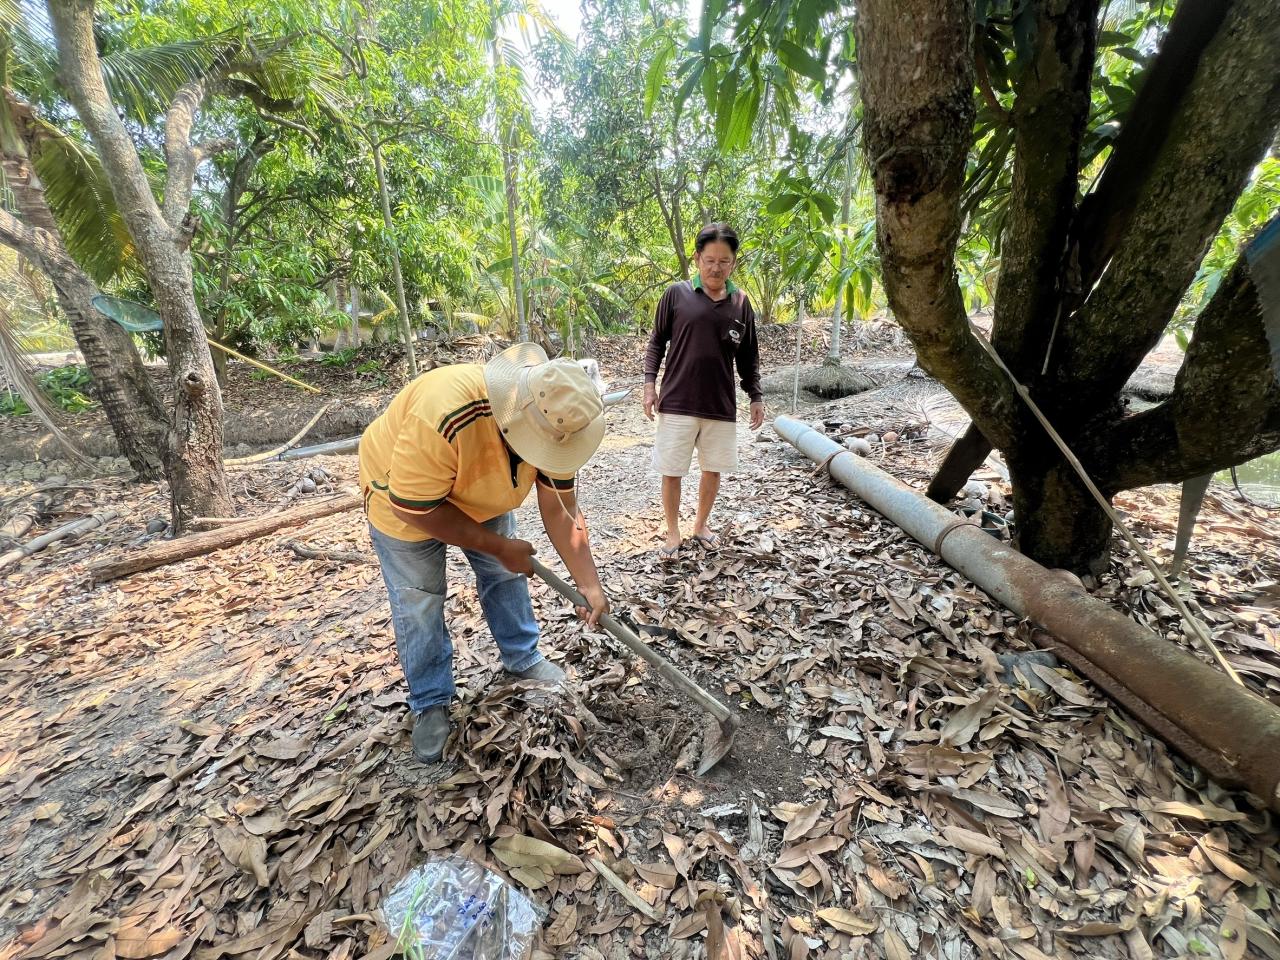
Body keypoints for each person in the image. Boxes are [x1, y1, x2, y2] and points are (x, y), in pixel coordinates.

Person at [359, 344, 609, 763]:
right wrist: (497, 546)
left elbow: (561, 509)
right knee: (419, 600)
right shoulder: (444, 414)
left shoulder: (560, 416)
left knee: (505, 574)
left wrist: (590, 582)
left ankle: (522, 657)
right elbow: (415, 506)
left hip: (482, 493)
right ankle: (431, 701)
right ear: (517, 422)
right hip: (401, 498)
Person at [643, 223, 765, 557]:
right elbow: (657, 341)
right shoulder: (676, 295)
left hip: (720, 403)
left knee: (712, 468)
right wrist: (649, 384)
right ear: (697, 259)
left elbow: (749, 355)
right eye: (709, 260)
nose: (716, 267)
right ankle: (672, 531)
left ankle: (700, 525)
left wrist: (755, 395)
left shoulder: (741, 303)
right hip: (678, 401)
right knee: (672, 470)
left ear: (733, 264)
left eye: (723, 261)